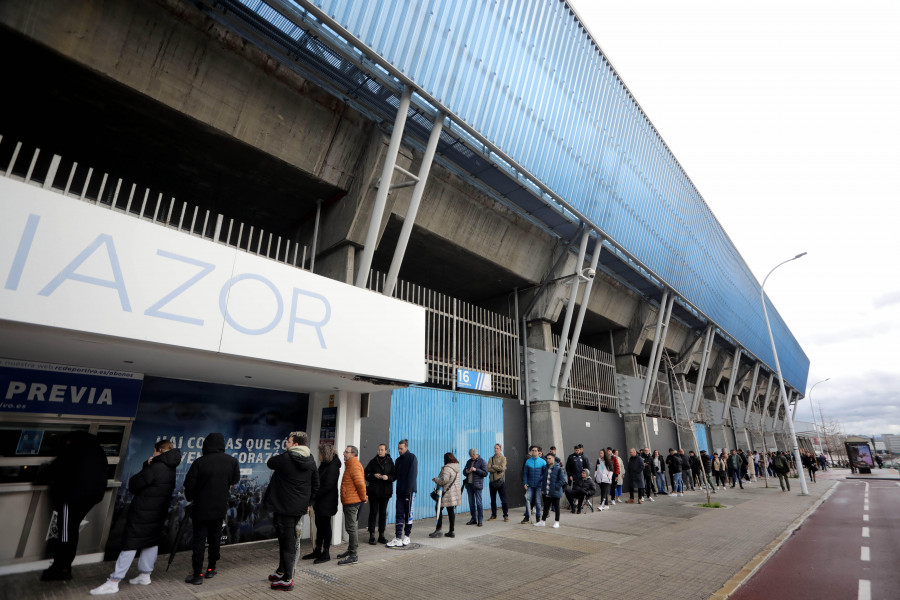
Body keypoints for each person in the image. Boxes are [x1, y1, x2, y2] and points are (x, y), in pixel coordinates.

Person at [90, 440, 181, 595]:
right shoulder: (171, 468)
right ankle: (145, 575)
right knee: (150, 542)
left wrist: (147, 465)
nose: (152, 453)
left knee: (130, 543)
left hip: (143, 512)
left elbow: (134, 484)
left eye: (154, 451)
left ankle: (114, 581)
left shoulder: (155, 467)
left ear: (159, 450)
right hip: (157, 512)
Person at [37, 431, 109, 582]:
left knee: (65, 533)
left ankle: (61, 569)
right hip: (92, 497)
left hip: (72, 496)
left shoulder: (74, 449)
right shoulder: (98, 451)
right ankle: (63, 567)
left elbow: (57, 468)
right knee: (71, 530)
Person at [261, 431, 318, 590]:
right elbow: (316, 484)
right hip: (298, 508)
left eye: (289, 442)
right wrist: (309, 503)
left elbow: (270, 462)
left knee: (288, 543)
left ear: (296, 445)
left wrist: (287, 453)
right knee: (287, 540)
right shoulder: (311, 460)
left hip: (285, 507)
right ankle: (281, 571)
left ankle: (287, 579)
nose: (286, 444)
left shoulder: (286, 458)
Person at [183, 433, 240, 585]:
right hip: (219, 508)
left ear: (206, 445)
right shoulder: (232, 461)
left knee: (199, 541)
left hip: (201, 508)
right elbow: (235, 479)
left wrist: (191, 498)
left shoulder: (199, 462)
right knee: (215, 540)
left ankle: (197, 575)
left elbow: (189, 486)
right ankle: (211, 569)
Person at [303, 443, 339, 565]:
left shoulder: (333, 466)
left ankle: (326, 552)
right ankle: (317, 549)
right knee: (319, 525)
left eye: (320, 453)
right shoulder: (325, 465)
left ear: (325, 454)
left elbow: (328, 485)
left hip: (327, 502)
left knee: (325, 526)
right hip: (321, 501)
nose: (319, 456)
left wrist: (315, 494)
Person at [337, 445, 367, 565]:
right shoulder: (350, 464)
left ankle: (353, 555)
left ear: (353, 454)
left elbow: (360, 484)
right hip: (350, 501)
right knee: (350, 527)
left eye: (346, 452)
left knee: (351, 527)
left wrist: (363, 497)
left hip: (352, 502)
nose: (344, 453)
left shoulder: (354, 465)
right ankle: (350, 550)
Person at [387, 439, 417, 547]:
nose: (399, 450)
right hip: (399, 491)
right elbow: (395, 475)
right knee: (399, 513)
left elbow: (412, 475)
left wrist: (408, 491)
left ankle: (407, 536)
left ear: (406, 448)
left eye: (401, 448)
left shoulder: (412, 458)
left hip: (409, 491)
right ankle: (398, 537)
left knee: (408, 514)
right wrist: (387, 477)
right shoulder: (398, 460)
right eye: (398, 448)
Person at [364, 443, 395, 544]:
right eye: (378, 450)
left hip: (385, 492)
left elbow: (394, 475)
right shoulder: (373, 462)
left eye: (382, 450)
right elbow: (366, 474)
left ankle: (381, 535)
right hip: (374, 492)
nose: (379, 451)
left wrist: (388, 478)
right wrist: (373, 475)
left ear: (386, 451)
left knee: (383, 513)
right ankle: (372, 535)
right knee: (373, 512)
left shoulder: (390, 462)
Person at [429, 452, 461, 538]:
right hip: (453, 493)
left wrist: (436, 479)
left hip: (446, 493)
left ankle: (438, 530)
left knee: (438, 508)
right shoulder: (456, 467)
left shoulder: (447, 468)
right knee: (450, 511)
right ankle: (451, 531)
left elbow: (444, 481)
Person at [538, 454, 567, 527]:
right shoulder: (546, 468)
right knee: (546, 507)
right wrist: (543, 489)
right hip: (547, 491)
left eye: (549, 458)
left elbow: (563, 480)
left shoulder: (558, 468)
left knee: (556, 507)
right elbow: (544, 480)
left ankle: (557, 522)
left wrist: (555, 487)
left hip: (555, 492)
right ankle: (542, 521)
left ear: (553, 459)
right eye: (547, 458)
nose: (548, 460)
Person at [521, 445, 547, 523]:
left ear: (539, 452)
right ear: (531, 452)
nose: (534, 452)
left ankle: (538, 518)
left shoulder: (543, 462)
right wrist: (525, 483)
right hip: (530, 485)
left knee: (538, 502)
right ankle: (526, 517)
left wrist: (540, 480)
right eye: (533, 450)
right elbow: (525, 473)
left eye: (535, 450)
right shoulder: (528, 461)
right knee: (528, 502)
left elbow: (545, 474)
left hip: (539, 486)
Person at [463, 448, 488, 526]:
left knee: (479, 503)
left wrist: (475, 469)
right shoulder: (469, 462)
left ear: (476, 454)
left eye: (473, 456)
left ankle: (480, 520)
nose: (472, 457)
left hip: (477, 486)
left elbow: (485, 473)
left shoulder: (482, 461)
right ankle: (473, 519)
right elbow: (464, 472)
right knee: (471, 503)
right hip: (469, 485)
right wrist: (467, 471)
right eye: (470, 456)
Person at [487, 443, 509, 522]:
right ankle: (493, 515)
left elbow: (502, 468)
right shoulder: (491, 459)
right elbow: (488, 469)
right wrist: (496, 468)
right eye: (495, 448)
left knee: (503, 499)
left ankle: (505, 515)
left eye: (497, 448)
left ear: (500, 449)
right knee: (493, 500)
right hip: (492, 481)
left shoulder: (503, 458)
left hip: (500, 481)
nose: (496, 449)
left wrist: (494, 466)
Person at [565, 444, 590, 511]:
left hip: (581, 479)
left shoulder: (583, 457)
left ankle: (579, 506)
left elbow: (587, 468)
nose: (577, 451)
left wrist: (586, 475)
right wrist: (570, 475)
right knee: (572, 492)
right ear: (574, 450)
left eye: (578, 450)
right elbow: (567, 468)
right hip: (574, 479)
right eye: (576, 450)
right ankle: (573, 505)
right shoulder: (571, 457)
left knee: (581, 492)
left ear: (580, 450)